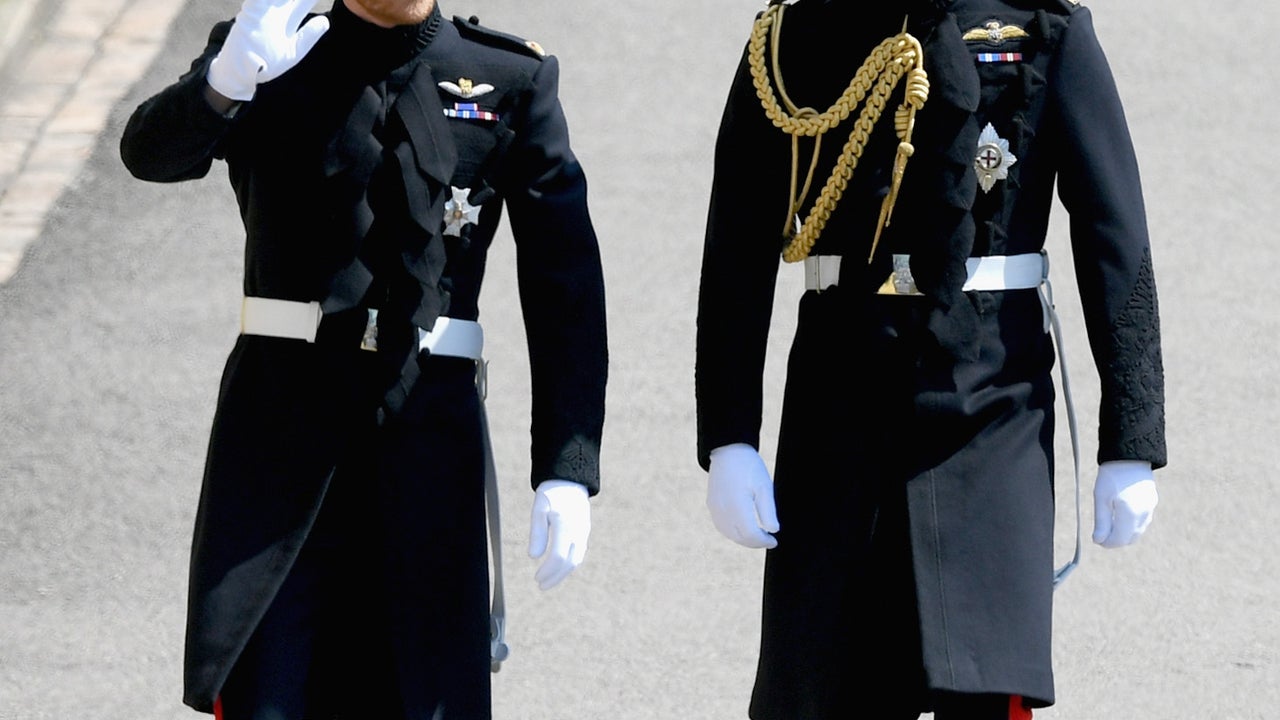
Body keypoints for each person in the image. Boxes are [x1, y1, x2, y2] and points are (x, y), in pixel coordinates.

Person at [119, 0, 607, 717]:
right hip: (280, 438)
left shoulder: (506, 75)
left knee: (425, 694)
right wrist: (223, 85)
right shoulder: (272, 51)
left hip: (429, 441)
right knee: (270, 692)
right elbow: (149, 155)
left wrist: (567, 466)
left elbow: (565, 283)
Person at [695, 0, 1164, 718]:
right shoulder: (795, 37)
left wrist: (1130, 441)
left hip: (991, 396)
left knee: (983, 685)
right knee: (826, 684)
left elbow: (1115, 237)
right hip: (840, 398)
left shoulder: (1042, 30)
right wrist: (729, 434)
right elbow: (737, 248)